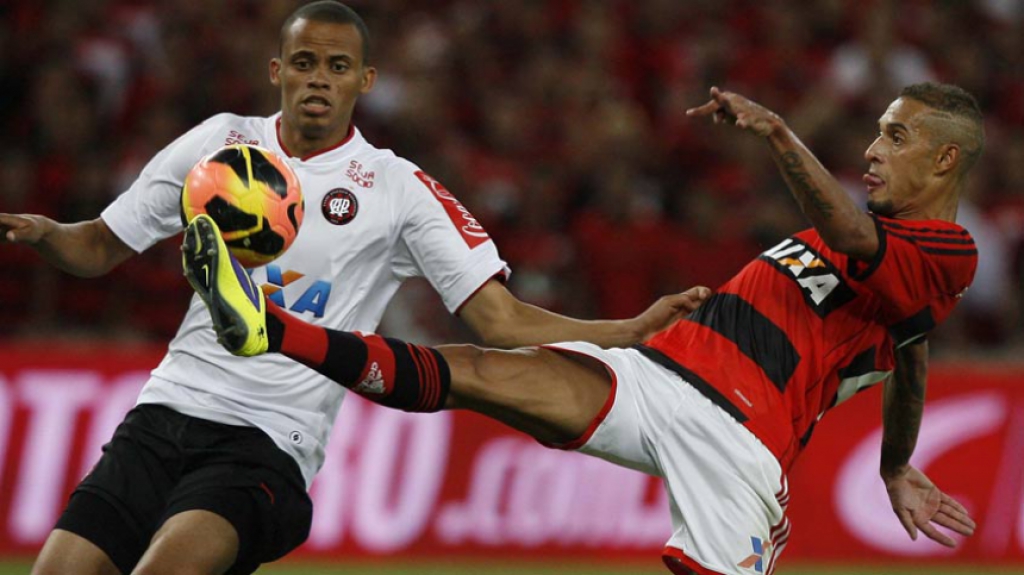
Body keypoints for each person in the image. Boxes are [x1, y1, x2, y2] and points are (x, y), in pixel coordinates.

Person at [0, 3, 704, 574]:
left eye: (337, 67)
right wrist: (41, 232)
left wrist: (627, 330)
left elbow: (498, 319)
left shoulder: (397, 188)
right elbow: (96, 245)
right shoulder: (220, 144)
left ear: (364, 80)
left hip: (268, 441)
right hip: (162, 413)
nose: (318, 79)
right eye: (304, 63)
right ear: (277, 69)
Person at [186, 81, 984, 575]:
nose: (874, 150)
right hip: (659, 374)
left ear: (946, 162)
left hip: (740, 440)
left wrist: (779, 135)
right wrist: (896, 461)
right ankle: (267, 328)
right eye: (879, 129)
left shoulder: (945, 252)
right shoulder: (892, 270)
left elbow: (859, 252)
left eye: (897, 136)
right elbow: (909, 355)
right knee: (476, 368)